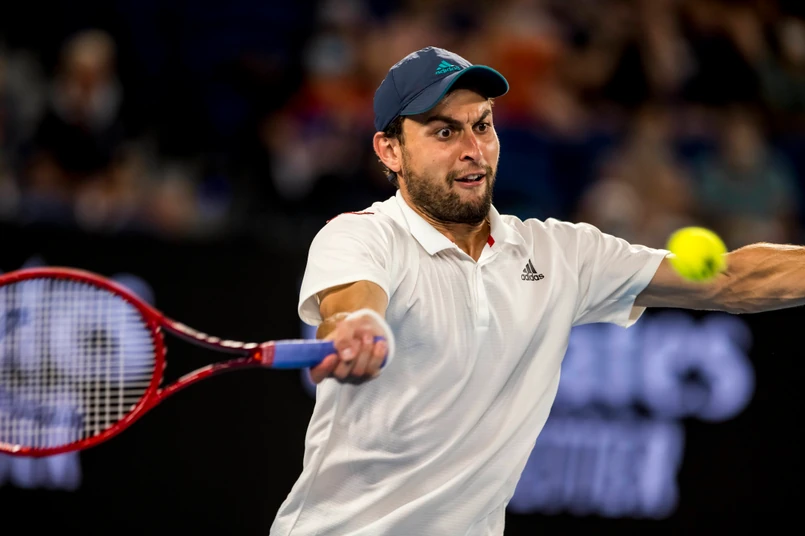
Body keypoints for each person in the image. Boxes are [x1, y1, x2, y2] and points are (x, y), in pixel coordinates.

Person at [270, 46, 805, 535]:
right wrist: (358, 328)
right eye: (444, 132)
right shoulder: (360, 235)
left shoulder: (561, 254)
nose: (473, 149)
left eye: (482, 126)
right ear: (389, 150)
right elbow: (351, 307)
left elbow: (733, 279)